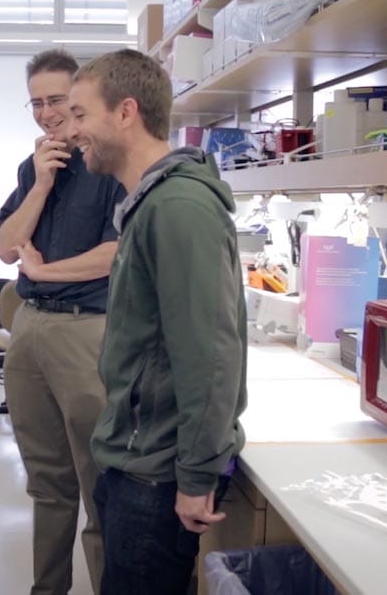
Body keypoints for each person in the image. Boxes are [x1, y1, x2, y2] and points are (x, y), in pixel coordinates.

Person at [67, 49, 247, 595]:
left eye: (80, 114)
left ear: (126, 112)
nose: (71, 130)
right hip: (135, 458)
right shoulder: (151, 203)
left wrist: (195, 477)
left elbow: (209, 353)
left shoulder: (177, 208)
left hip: (157, 473)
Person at [0, 49, 126, 595]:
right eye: (37, 103)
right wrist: (41, 185)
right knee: (46, 483)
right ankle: (47, 588)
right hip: (30, 331)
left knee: (99, 486)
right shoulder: (34, 167)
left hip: (85, 330)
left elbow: (119, 252)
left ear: (79, 101)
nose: (48, 114)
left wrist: (46, 272)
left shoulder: (111, 164)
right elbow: (7, 248)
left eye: (57, 101)